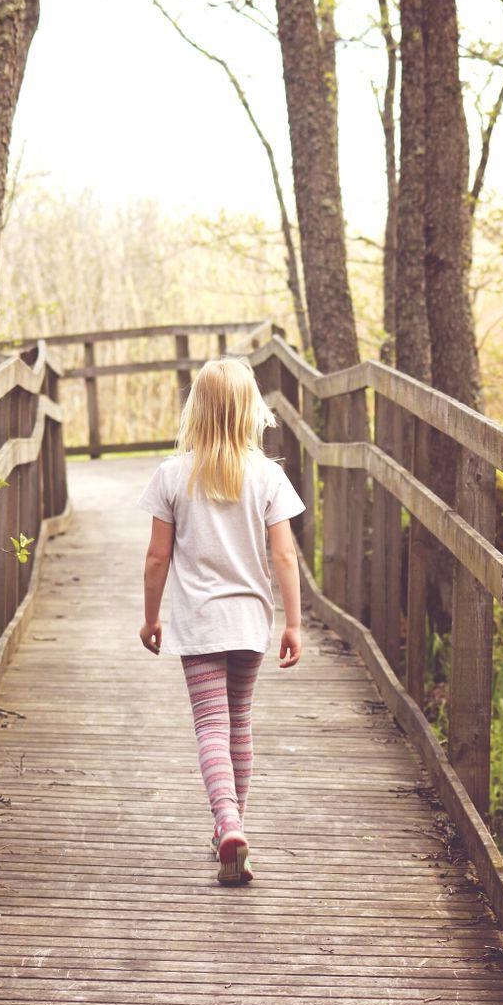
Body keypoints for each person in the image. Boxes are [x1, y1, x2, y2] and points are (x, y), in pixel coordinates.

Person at [137, 356, 305, 887]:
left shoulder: (171, 475)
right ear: (250, 411)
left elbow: (156, 558)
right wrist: (293, 625)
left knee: (210, 723)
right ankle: (235, 831)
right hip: (251, 621)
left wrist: (150, 618)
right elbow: (285, 558)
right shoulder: (269, 475)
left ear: (197, 410)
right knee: (240, 720)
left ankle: (226, 823)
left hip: (201, 621)